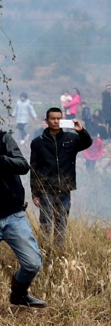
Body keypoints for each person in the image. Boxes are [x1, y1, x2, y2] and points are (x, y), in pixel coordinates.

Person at [29, 109, 93, 245]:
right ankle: (45, 251)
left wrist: (81, 131)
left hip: (64, 188)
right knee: (46, 223)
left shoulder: (71, 138)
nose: (56, 121)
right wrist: (34, 193)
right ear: (47, 121)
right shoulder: (38, 143)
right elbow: (34, 169)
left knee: (61, 222)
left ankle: (59, 253)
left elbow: (87, 143)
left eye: (59, 118)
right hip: (46, 189)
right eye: (53, 118)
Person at [1, 130, 46, 308]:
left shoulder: (3, 138)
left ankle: (19, 295)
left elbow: (23, 165)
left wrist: (2, 159)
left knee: (32, 264)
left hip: (13, 214)